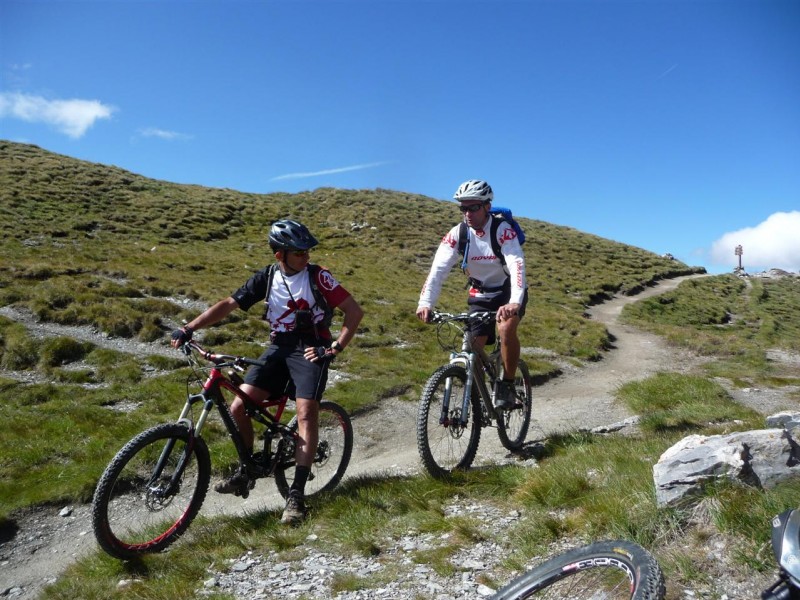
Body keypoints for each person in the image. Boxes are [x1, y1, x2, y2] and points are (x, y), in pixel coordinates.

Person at [171, 219, 363, 525]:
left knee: (305, 414)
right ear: (280, 255)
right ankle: (248, 469)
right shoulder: (268, 276)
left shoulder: (319, 276)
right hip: (278, 348)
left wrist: (334, 348)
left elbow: (354, 312)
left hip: (311, 348)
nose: (306, 256)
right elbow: (228, 304)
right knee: (238, 406)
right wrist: (189, 327)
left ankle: (296, 496)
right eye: (299, 252)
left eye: (307, 250)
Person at [416, 179, 528, 409]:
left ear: (487, 206)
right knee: (471, 347)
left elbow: (517, 264)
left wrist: (515, 301)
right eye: (463, 208)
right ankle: (478, 401)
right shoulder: (459, 233)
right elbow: (437, 270)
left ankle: (507, 386)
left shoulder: (501, 230)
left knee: (506, 328)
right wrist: (426, 303)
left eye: (473, 207)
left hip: (507, 291)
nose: (467, 213)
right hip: (481, 292)